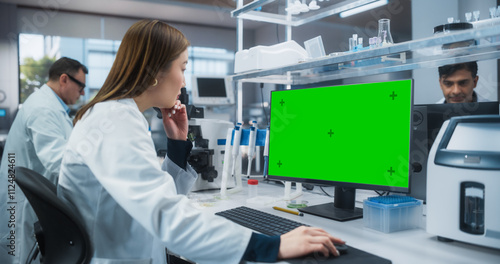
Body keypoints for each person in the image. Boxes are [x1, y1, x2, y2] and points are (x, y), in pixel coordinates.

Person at [57, 19, 344, 264]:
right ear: (154, 72)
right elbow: (167, 217)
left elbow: (154, 198)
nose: (183, 81)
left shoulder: (114, 114)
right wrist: (272, 246)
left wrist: (177, 145)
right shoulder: (116, 120)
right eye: (182, 68)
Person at [0, 57, 88, 264]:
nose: (83, 92)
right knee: (21, 255)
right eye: (81, 86)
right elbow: (57, 161)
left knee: (27, 253)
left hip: (28, 198)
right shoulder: (43, 109)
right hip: (21, 201)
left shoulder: (51, 107)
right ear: (64, 79)